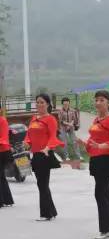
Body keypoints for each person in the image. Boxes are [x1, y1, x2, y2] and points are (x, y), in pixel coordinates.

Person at [77, 90, 109, 239]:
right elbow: (93, 140)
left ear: (108, 103)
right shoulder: (96, 120)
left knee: (99, 193)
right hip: (96, 160)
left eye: (101, 100)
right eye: (96, 100)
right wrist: (84, 144)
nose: (98, 103)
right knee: (105, 193)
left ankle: (106, 229)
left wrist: (100, 146)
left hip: (105, 160)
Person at [25, 93, 64, 222]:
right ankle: (50, 211)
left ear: (48, 104)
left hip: (45, 154)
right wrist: (26, 142)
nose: (39, 104)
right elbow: (29, 135)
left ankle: (46, 213)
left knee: (43, 183)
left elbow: (53, 137)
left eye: (42, 102)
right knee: (41, 184)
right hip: (35, 154)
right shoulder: (33, 118)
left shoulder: (50, 119)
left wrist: (47, 148)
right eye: (37, 102)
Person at [57, 97, 81, 161]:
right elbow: (60, 120)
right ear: (62, 103)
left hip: (71, 127)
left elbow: (74, 118)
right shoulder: (60, 111)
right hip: (63, 128)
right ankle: (66, 156)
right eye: (64, 102)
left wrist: (70, 124)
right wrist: (68, 124)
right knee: (64, 142)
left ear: (69, 103)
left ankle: (78, 155)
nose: (66, 103)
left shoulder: (72, 110)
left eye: (67, 101)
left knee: (74, 141)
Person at [0, 110, 14, 208]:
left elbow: (4, 138)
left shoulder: (2, 121)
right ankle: (7, 200)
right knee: (1, 176)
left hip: (3, 152)